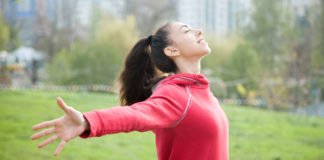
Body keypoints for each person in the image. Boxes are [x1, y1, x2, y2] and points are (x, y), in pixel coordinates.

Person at [30, 21, 229, 160]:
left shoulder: (202, 93)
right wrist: (87, 121)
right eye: (187, 31)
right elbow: (135, 114)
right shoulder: (176, 95)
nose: (199, 31)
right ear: (172, 51)